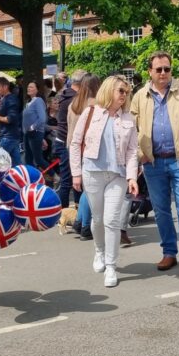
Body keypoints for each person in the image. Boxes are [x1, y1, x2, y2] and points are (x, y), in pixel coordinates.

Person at [132, 51, 179, 278]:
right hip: (153, 163)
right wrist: (140, 154)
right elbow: (129, 130)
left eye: (167, 68)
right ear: (150, 72)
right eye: (159, 69)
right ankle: (168, 252)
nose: (163, 73)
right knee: (162, 210)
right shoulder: (139, 96)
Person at [69, 75, 139, 288]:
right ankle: (99, 251)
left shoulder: (128, 118)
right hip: (92, 173)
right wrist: (76, 173)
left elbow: (132, 151)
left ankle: (111, 265)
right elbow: (75, 143)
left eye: (126, 92)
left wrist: (132, 176)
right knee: (97, 219)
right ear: (109, 91)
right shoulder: (90, 113)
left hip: (117, 176)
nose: (124, 96)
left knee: (112, 220)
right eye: (121, 91)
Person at [67, 74, 101, 240]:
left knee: (87, 189)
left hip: (73, 148)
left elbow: (69, 127)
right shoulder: (95, 107)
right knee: (91, 190)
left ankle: (80, 221)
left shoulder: (74, 104)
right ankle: (86, 225)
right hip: (88, 151)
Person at [53, 71, 82, 209]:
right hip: (67, 142)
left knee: (70, 179)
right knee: (69, 180)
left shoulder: (65, 95)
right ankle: (65, 212)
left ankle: (73, 211)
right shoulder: (75, 99)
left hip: (62, 140)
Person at [0, 77, 22, 166]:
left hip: (9, 136)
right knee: (16, 164)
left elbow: (10, 119)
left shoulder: (11, 99)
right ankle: (20, 178)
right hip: (11, 135)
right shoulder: (6, 98)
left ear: (5, 87)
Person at [22, 81, 48, 168]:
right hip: (27, 134)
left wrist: (32, 127)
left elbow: (42, 118)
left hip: (35, 133)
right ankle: (31, 178)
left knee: (38, 159)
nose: (29, 88)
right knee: (28, 159)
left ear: (37, 90)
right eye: (28, 87)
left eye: (31, 87)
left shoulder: (38, 101)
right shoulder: (28, 103)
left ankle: (54, 176)